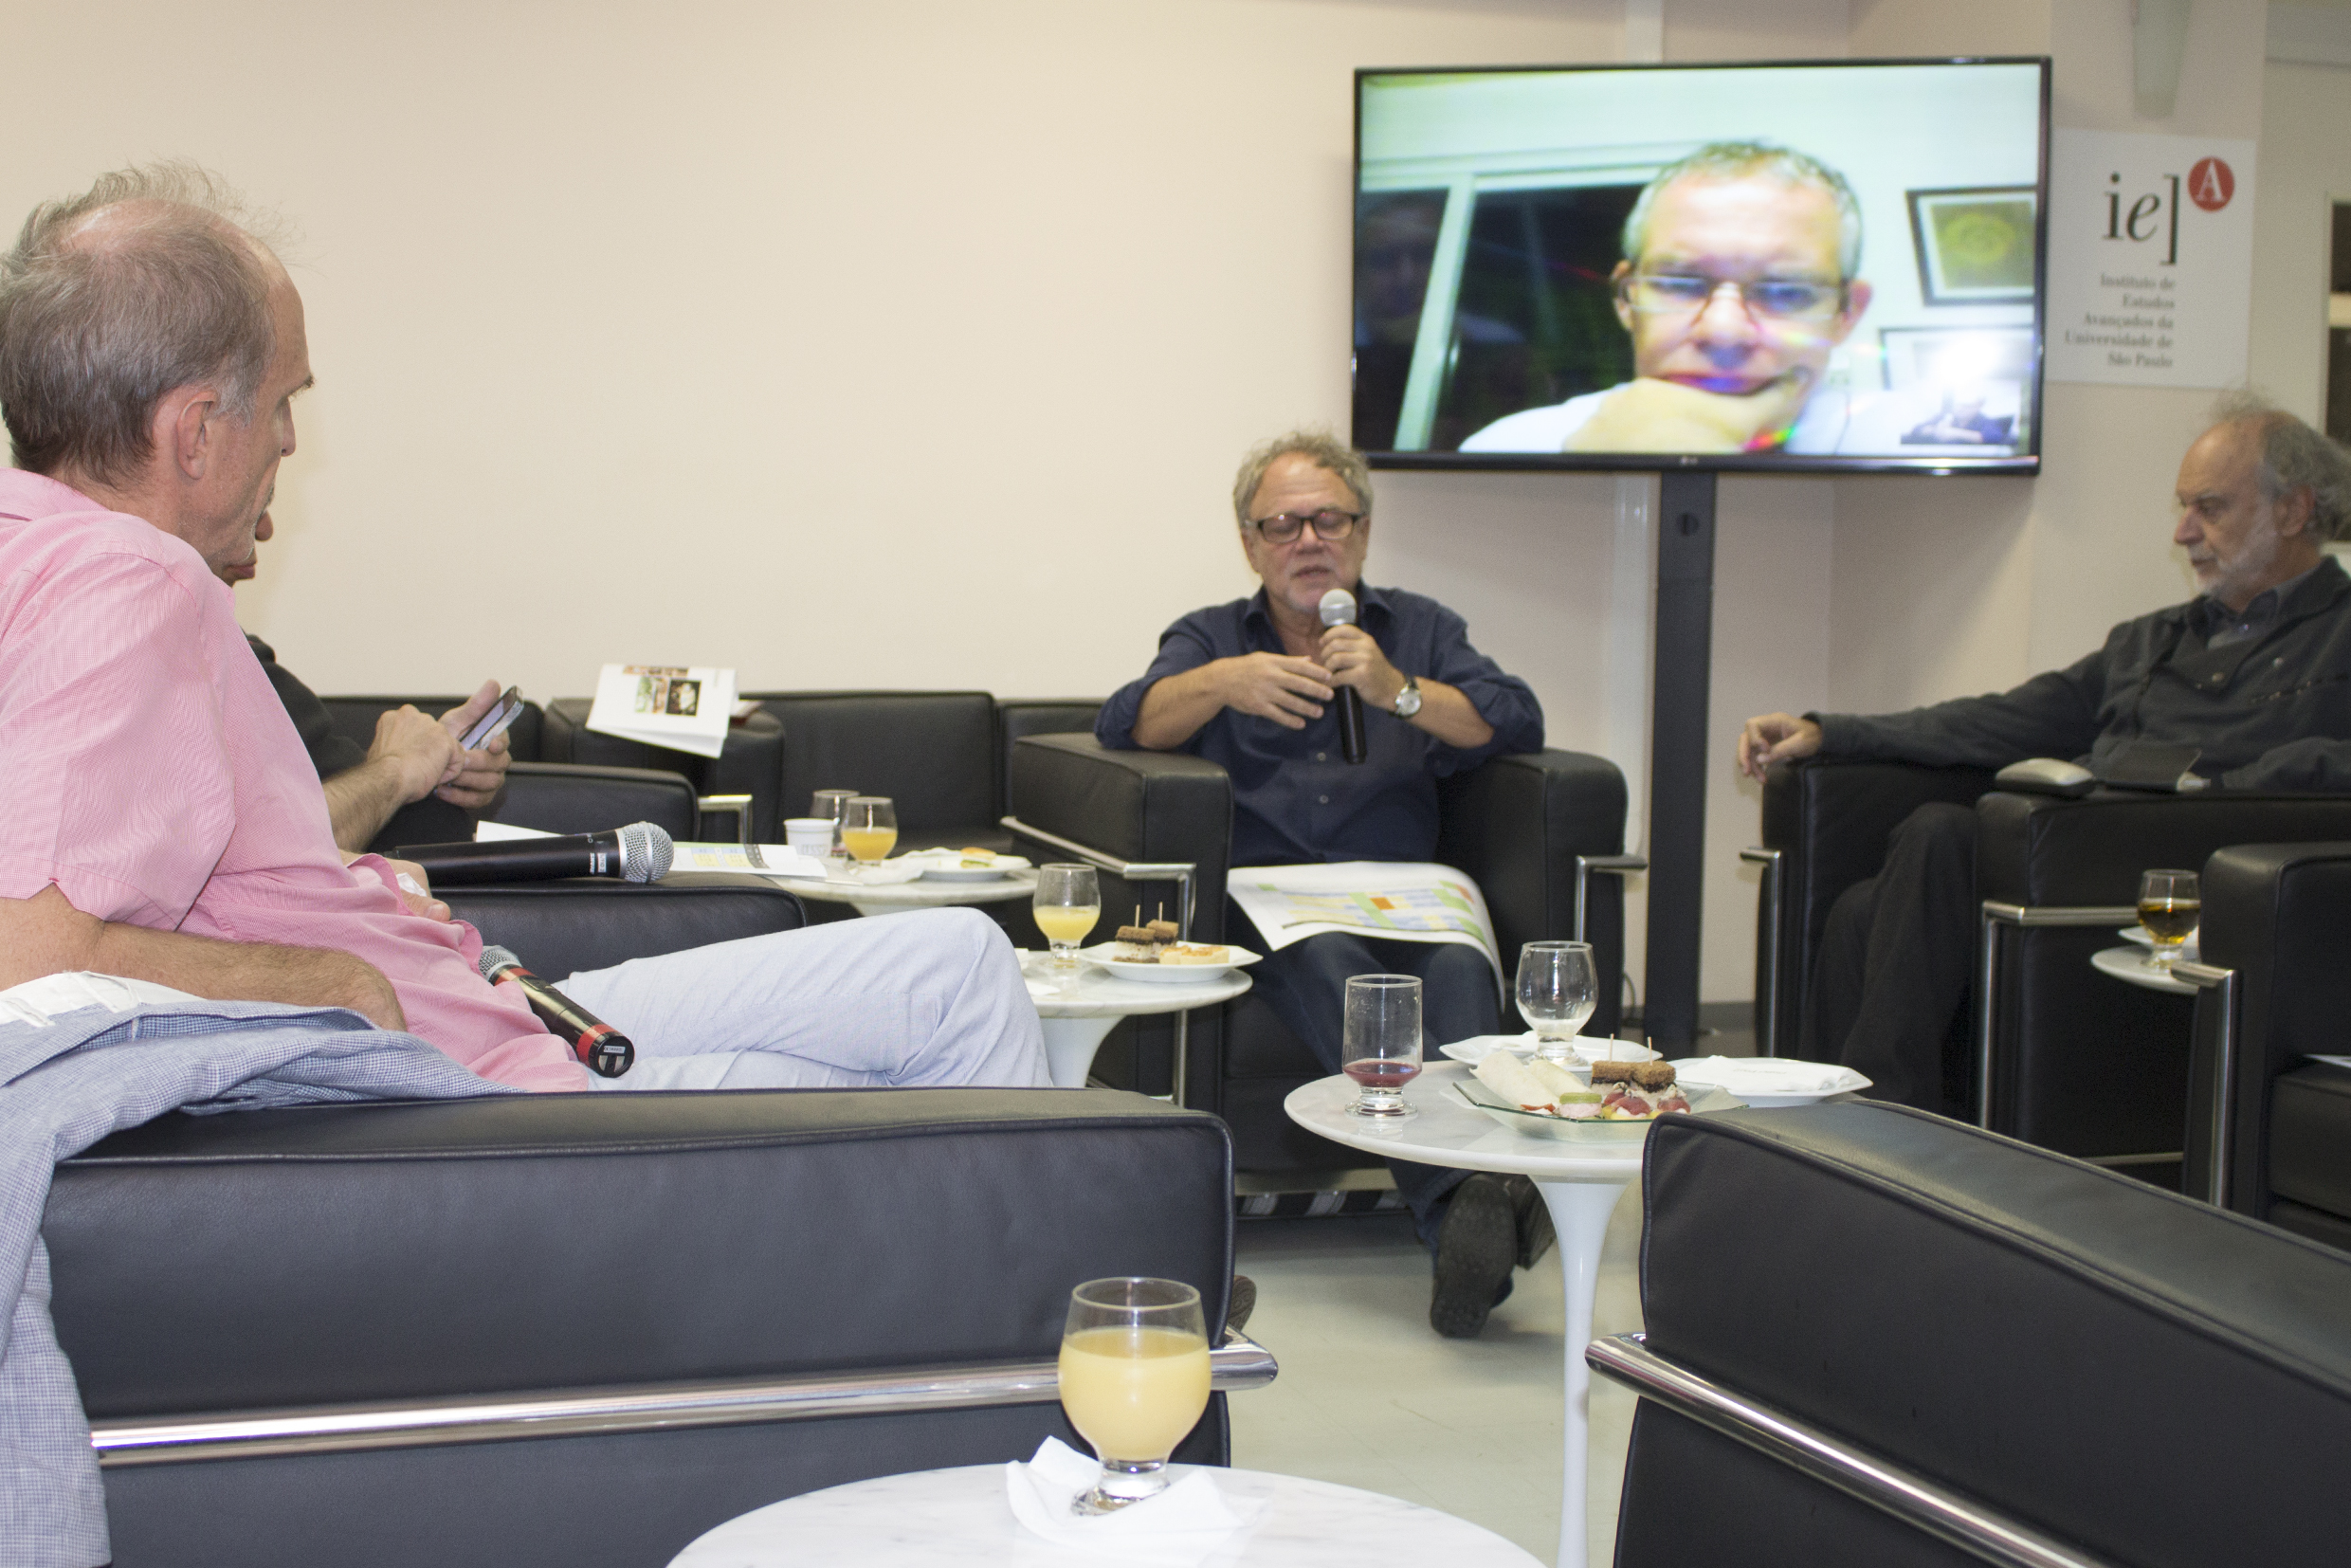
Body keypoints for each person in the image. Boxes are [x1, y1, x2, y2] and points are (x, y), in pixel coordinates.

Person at [0, 163, 1048, 1096]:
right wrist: (333, 978)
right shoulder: (128, 581)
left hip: (478, 1006)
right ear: (192, 431)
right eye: (283, 401)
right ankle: (1101, 1312)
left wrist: (348, 894)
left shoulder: (39, 550)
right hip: (470, 1076)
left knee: (949, 963)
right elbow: (29, 961)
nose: (285, 439)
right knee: (947, 1002)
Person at [1736, 395, 2351, 1113]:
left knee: (1936, 836)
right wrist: (1833, 732)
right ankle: (1833, 1131)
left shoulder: (2339, 634)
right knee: (1863, 908)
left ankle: (1872, 1126)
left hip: (2191, 868)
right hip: (2064, 848)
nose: (2184, 532)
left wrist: (2222, 782)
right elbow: (2001, 719)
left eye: (2209, 507)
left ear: (2294, 510)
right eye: (2183, 507)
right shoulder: (2148, 641)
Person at [1098, 429, 1548, 1338]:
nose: (1307, 541)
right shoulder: (1213, 636)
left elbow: (1512, 718)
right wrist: (1222, 683)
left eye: (1327, 520)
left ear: (1363, 533)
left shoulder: (1418, 628)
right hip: (1279, 900)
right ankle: (1469, 1205)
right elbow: (1127, 721)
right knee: (1347, 974)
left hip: (1411, 888)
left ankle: (1473, 1209)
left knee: (1460, 980)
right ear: (1250, 543)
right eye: (1283, 525)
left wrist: (1399, 691)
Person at [1459, 141, 1881, 457]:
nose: (1724, 332)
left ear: (1847, 313)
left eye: (1786, 291)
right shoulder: (1506, 449)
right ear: (1625, 300)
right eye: (1681, 284)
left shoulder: (1912, 437)